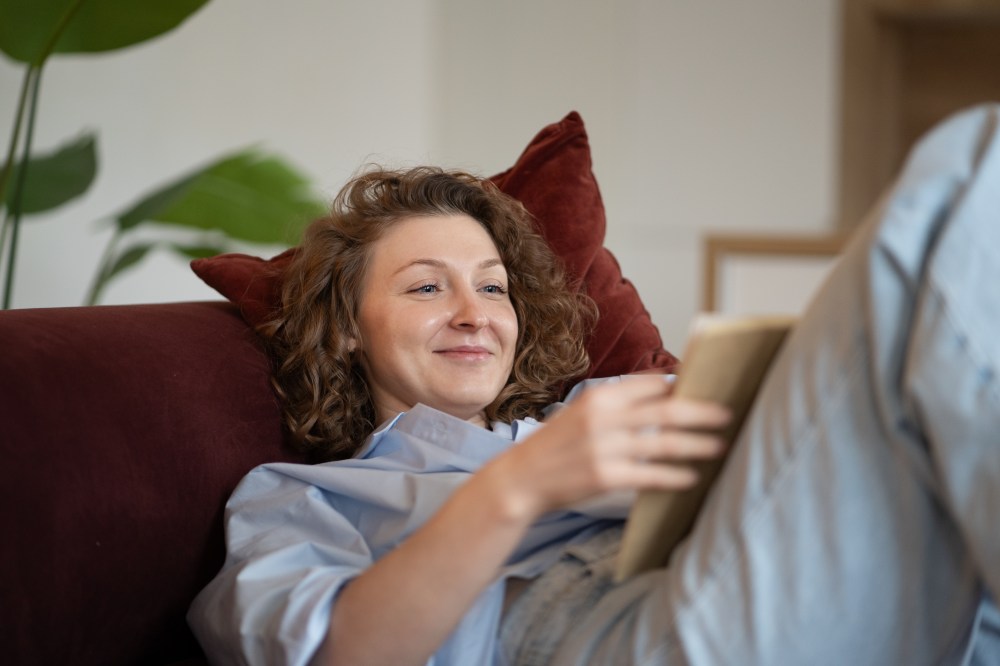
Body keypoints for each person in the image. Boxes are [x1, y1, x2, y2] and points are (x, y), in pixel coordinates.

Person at [188, 105, 1000, 666]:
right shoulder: (296, 498)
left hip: (766, 574)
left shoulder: (583, 413)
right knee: (962, 177)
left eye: (495, 288)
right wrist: (520, 489)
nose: (475, 314)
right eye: (428, 288)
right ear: (347, 328)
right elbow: (330, 655)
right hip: (594, 635)